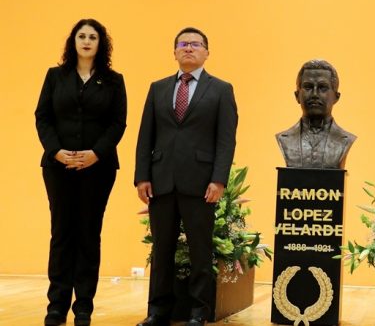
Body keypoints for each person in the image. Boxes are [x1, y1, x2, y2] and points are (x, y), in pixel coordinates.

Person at [134, 27, 238, 326]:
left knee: (200, 251)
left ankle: (199, 312)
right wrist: (142, 176)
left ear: (207, 52)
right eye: (183, 44)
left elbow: (225, 140)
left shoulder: (221, 90)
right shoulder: (158, 88)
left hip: (201, 183)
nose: (188, 48)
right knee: (161, 249)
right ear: (174, 52)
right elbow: (146, 136)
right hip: (161, 181)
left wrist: (218, 180)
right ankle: (157, 312)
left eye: (196, 44)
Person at [35, 18, 127, 326]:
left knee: (89, 234)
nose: (86, 41)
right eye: (81, 36)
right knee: (61, 233)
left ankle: (84, 306)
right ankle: (56, 306)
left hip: (97, 169)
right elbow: (43, 117)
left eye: (93, 37)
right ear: (72, 42)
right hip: (58, 167)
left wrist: (95, 154)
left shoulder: (113, 80)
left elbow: (117, 123)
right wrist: (56, 152)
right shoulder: (55, 76)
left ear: (101, 44)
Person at [276, 59, 356, 169]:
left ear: (336, 97)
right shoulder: (284, 139)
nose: (314, 94)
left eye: (322, 88)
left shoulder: (345, 140)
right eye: (308, 87)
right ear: (297, 96)